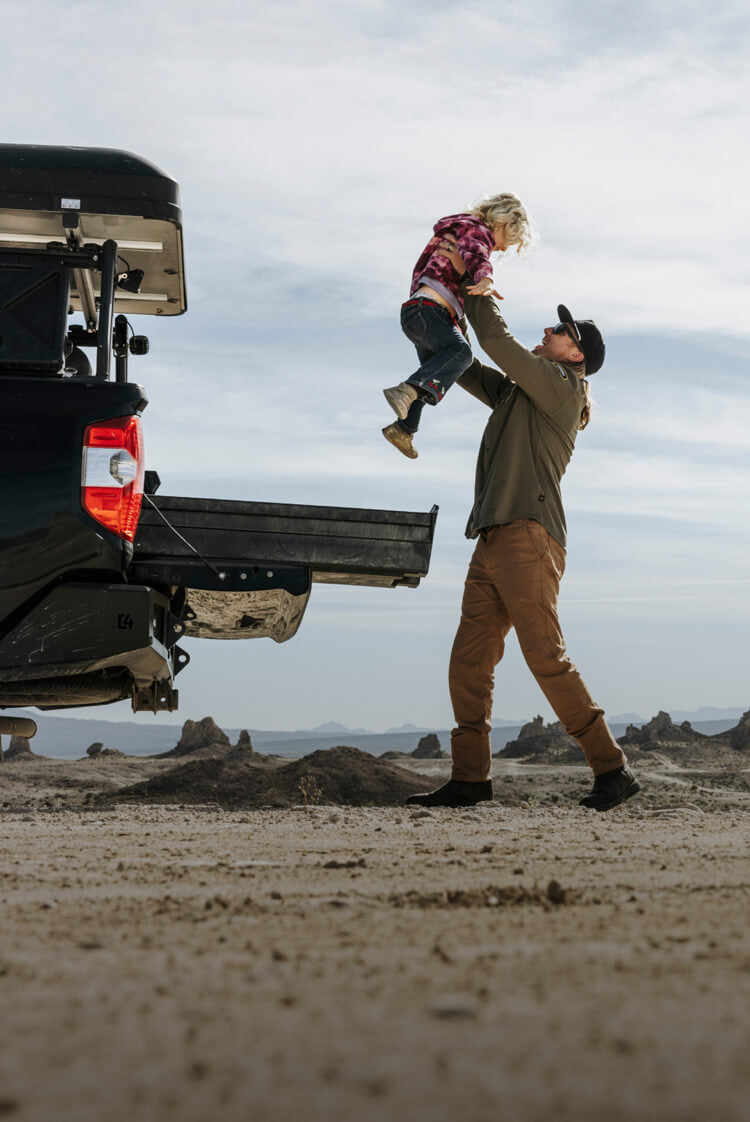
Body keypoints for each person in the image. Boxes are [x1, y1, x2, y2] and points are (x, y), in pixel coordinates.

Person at [407, 270, 640, 813]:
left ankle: (612, 769)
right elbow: (468, 362)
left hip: (528, 540)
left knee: (545, 656)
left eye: (561, 330)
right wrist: (433, 325)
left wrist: (476, 290)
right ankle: (470, 779)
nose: (550, 329)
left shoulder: (562, 388)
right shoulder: (521, 391)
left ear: (576, 356)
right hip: (493, 538)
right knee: (468, 663)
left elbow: (496, 342)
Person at [382, 194, 532, 460]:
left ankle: (404, 429)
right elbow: (477, 254)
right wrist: (485, 279)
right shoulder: (476, 229)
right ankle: (406, 390)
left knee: (435, 378)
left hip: (419, 314)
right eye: (506, 243)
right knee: (461, 355)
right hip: (429, 313)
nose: (501, 250)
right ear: (502, 224)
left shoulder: (456, 232)